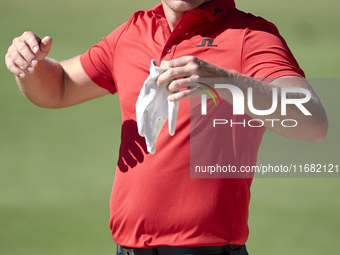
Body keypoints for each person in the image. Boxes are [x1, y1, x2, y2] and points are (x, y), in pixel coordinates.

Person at [5, 0, 328, 254]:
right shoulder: (135, 30)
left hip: (205, 251)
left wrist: (221, 79)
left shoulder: (249, 35)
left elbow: (312, 122)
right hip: (127, 248)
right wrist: (29, 66)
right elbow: (59, 87)